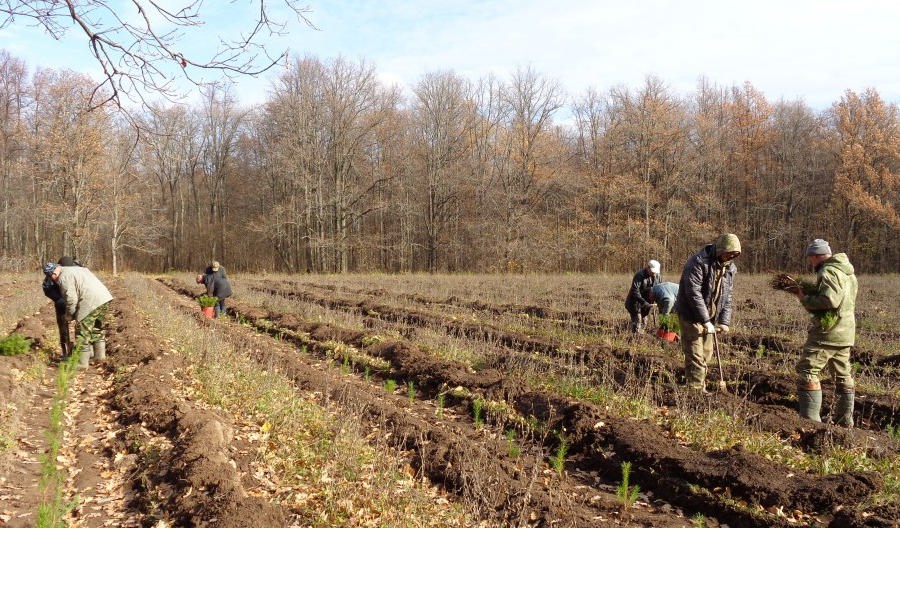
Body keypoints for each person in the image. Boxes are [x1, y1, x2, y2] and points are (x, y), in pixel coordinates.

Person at [793, 239, 858, 426]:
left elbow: (830, 301)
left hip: (827, 332)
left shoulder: (828, 271)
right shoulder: (849, 273)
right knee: (842, 374)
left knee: (808, 370)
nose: (810, 262)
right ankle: (844, 421)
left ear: (815, 256)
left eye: (810, 258)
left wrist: (804, 298)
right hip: (846, 333)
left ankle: (810, 423)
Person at [674, 233, 741, 392]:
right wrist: (705, 321)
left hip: (709, 317)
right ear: (720, 249)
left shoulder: (730, 268)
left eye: (734, 254)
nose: (731, 256)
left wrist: (724, 321)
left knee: (706, 353)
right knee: (695, 353)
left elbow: (727, 295)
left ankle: (696, 382)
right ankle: (695, 390)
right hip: (690, 314)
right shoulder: (698, 262)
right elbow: (693, 293)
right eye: (729, 252)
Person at [43, 261, 113, 368]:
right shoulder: (77, 269)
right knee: (96, 328)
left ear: (53, 274)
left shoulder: (63, 277)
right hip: (104, 298)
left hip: (90, 301)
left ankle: (82, 363)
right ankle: (99, 357)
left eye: (51, 277)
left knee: (82, 332)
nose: (53, 279)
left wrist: (69, 316)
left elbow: (71, 300)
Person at [41, 255, 81, 358]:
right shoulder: (50, 280)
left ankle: (77, 349)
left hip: (76, 297)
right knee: (65, 323)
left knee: (78, 322)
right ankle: (69, 350)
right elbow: (51, 292)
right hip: (62, 299)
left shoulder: (75, 269)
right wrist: (63, 303)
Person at [624, 259, 661, 333]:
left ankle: (640, 335)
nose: (654, 274)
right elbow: (635, 291)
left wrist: (657, 301)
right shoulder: (639, 275)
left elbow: (659, 289)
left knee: (644, 322)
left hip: (647, 303)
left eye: (655, 272)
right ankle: (635, 338)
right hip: (635, 302)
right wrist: (643, 302)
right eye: (652, 271)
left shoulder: (658, 276)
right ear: (648, 267)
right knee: (638, 321)